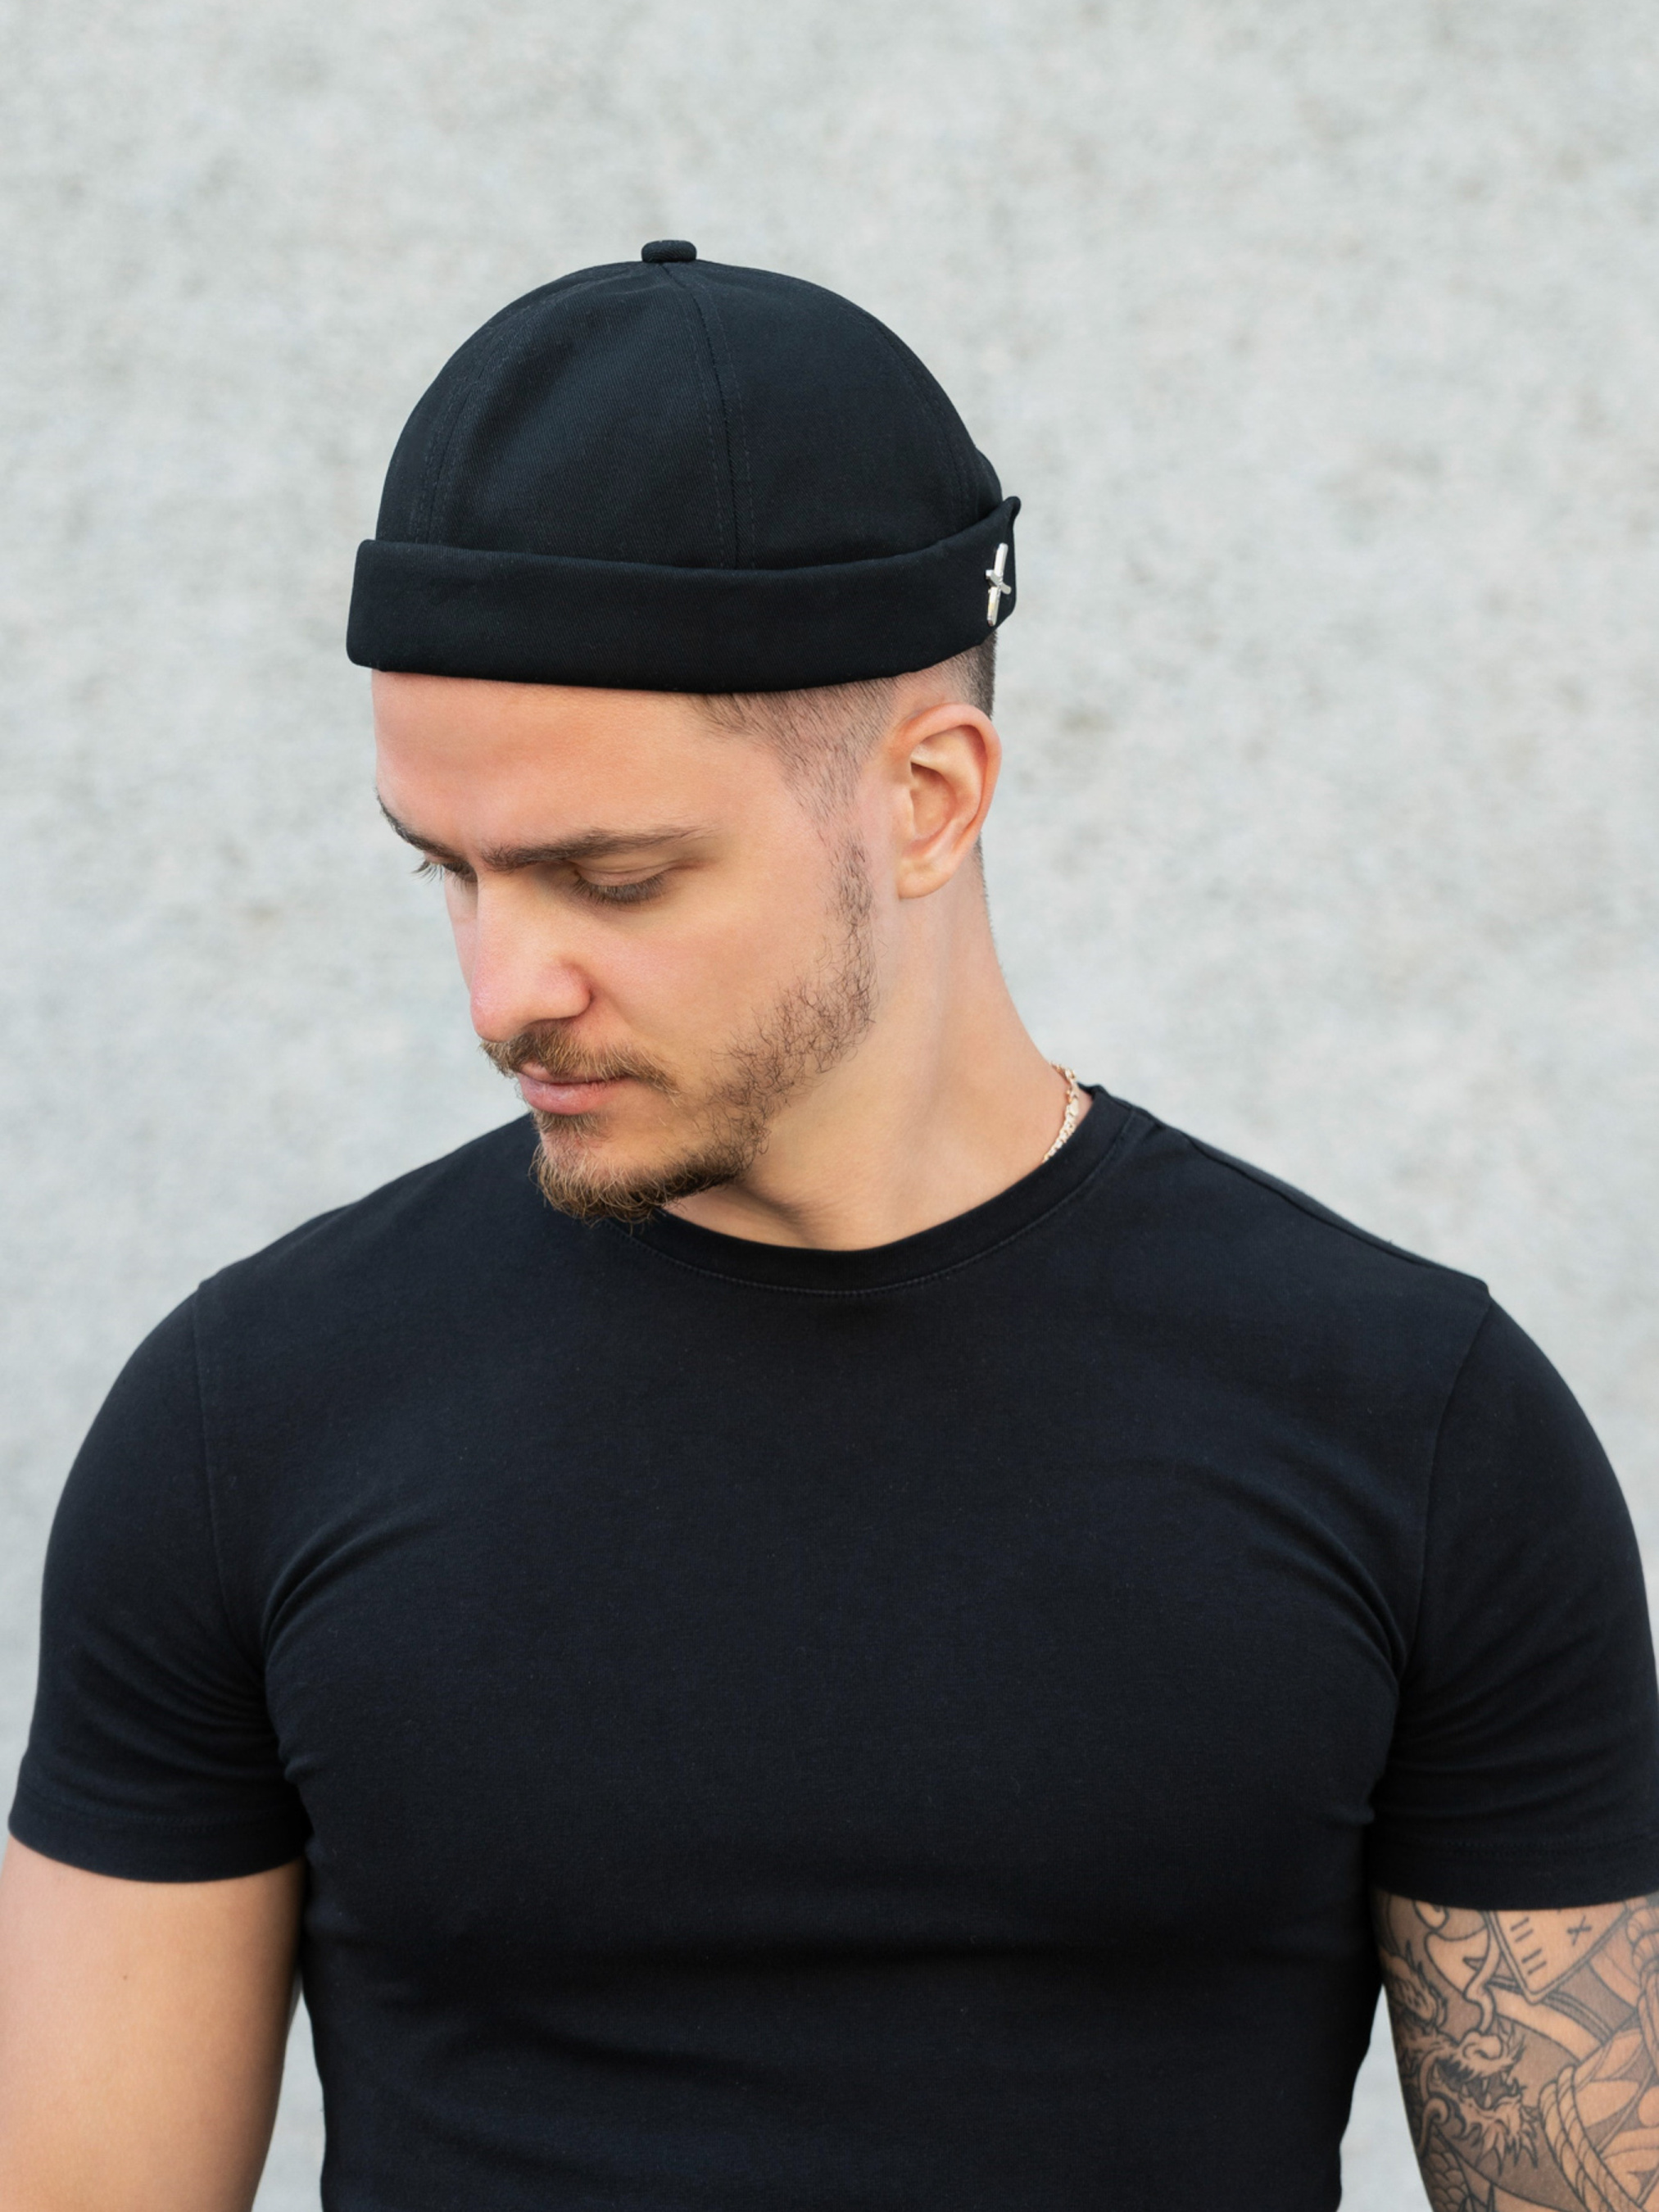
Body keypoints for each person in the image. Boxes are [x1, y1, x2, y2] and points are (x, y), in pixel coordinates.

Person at [0, 242, 1655, 2212]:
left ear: (928, 800)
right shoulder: (249, 1417)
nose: (501, 992)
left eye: (612, 877)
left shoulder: (1412, 1426)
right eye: (445, 871)